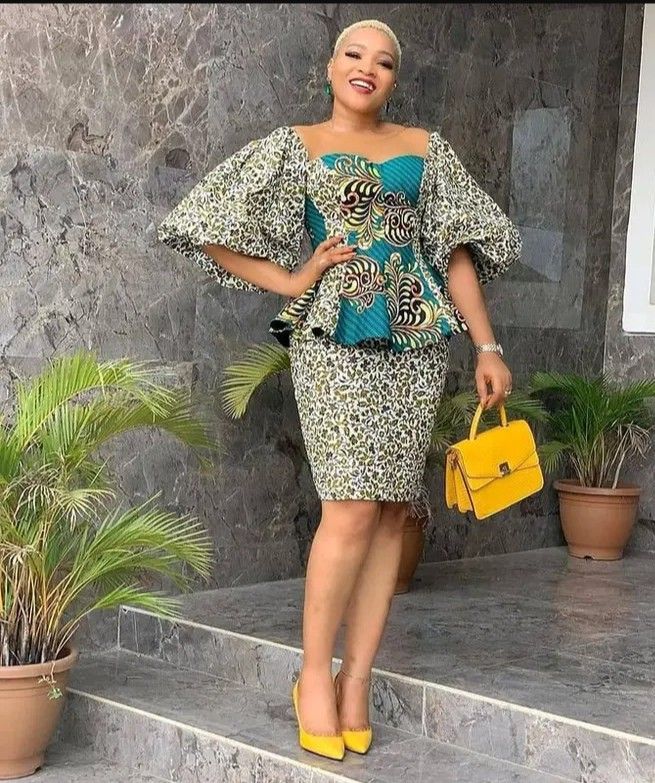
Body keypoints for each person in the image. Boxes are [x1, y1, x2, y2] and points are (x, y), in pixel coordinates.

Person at [157, 18, 521, 762]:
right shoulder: (295, 146)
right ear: (331, 67)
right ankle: (312, 678)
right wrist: (295, 279)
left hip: (417, 340)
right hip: (335, 337)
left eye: (383, 62)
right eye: (354, 54)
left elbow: (453, 253)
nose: (367, 68)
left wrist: (486, 345)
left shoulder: (426, 149)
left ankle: (356, 681)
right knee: (350, 507)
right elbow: (206, 222)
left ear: (394, 79)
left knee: (389, 513)